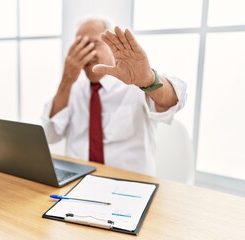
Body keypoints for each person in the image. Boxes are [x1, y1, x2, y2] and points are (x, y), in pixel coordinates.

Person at [41, 16, 187, 176]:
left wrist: (148, 79)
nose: (85, 53)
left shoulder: (139, 84)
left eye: (92, 44)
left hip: (128, 187)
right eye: (79, 45)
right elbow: (49, 134)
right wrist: (66, 80)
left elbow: (174, 100)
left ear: (112, 45)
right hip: (76, 182)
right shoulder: (72, 89)